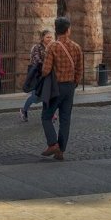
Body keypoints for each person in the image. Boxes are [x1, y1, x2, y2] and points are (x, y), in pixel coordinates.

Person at [40, 16, 83, 161]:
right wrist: (74, 83)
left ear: (56, 30)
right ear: (68, 30)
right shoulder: (76, 47)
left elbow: (45, 70)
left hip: (55, 88)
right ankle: (61, 150)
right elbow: (79, 70)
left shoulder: (52, 47)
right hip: (70, 87)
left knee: (46, 116)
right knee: (65, 119)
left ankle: (53, 144)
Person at [19, 28, 53, 122]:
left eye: (51, 37)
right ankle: (24, 110)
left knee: (48, 95)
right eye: (47, 37)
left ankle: (49, 115)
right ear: (43, 38)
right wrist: (47, 64)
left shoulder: (52, 47)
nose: (49, 39)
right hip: (37, 76)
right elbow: (36, 60)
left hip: (48, 75)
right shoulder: (37, 47)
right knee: (35, 98)